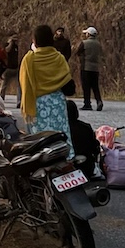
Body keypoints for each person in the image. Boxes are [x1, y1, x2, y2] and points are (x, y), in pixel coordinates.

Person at [20, 24, 74, 157]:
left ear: (35, 41)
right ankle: (65, 162)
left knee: (40, 143)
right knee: (60, 137)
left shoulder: (29, 60)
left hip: (37, 106)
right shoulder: (59, 58)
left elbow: (24, 86)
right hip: (57, 104)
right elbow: (69, 86)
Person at [76, 27, 103, 111]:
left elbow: (78, 52)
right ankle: (99, 101)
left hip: (86, 67)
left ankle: (87, 104)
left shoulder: (84, 43)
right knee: (95, 86)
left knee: (86, 86)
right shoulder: (98, 44)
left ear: (89, 34)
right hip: (95, 68)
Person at [0, 35, 21, 107]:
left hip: (15, 68)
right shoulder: (7, 45)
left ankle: (19, 101)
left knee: (19, 85)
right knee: (4, 85)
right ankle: (0, 100)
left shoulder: (16, 46)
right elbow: (6, 50)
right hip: (8, 68)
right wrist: (10, 43)